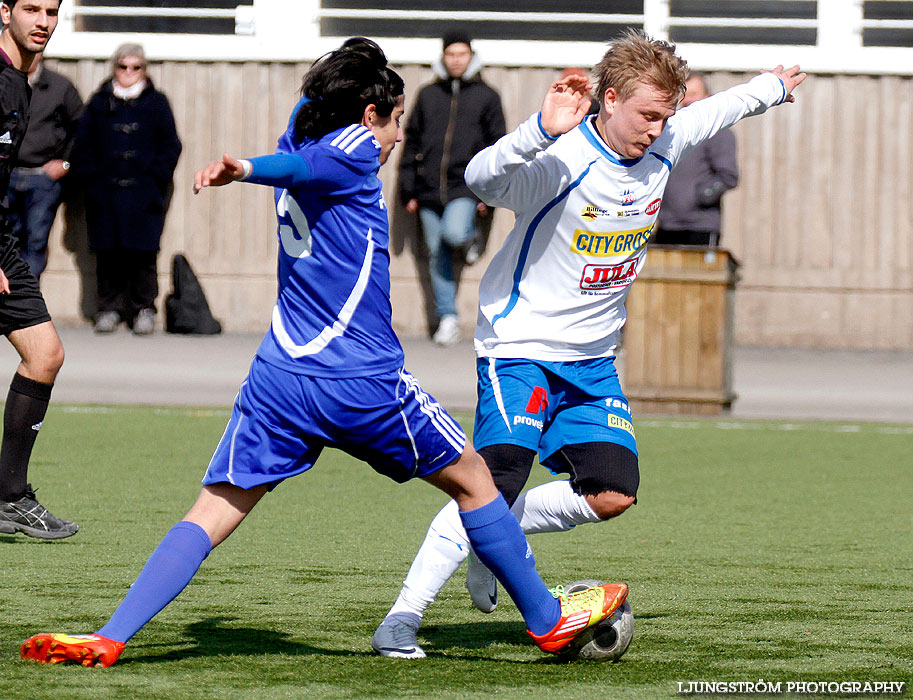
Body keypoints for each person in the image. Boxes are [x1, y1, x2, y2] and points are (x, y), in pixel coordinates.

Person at [20, 38, 627, 669]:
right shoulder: (352, 149)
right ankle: (550, 621)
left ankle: (111, 635)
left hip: (279, 380)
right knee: (475, 482)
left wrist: (328, 83)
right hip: (360, 379)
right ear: (370, 116)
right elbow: (313, 166)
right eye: (393, 122)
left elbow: (303, 144)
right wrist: (247, 170)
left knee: (214, 509)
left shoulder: (299, 137)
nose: (394, 139)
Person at [372, 30, 806, 659]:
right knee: (494, 479)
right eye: (647, 115)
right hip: (520, 347)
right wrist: (538, 130)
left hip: (594, 360)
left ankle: (495, 543)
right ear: (607, 99)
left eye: (666, 115)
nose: (658, 129)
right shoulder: (560, 159)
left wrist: (770, 89)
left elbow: (715, 111)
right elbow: (481, 177)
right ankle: (402, 617)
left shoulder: (667, 140)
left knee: (612, 492)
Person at [0, 0, 75, 540]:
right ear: (5, 11)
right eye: (31, 8)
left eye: (52, 10)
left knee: (45, 353)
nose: (43, 21)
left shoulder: (24, 83)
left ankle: (9, 496)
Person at [398, 30, 505, 346]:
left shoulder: (487, 96)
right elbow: (411, 141)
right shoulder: (428, 95)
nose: (456, 60)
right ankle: (447, 318)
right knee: (436, 253)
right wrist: (408, 190)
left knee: (454, 234)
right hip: (428, 189)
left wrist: (492, 193)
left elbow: (497, 147)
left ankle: (471, 237)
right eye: (450, 54)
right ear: (443, 57)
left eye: (461, 54)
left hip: (467, 186)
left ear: (471, 57)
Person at [70, 43, 182, 335]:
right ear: (114, 67)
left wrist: (155, 178)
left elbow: (170, 146)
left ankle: (143, 308)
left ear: (144, 69)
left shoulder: (157, 102)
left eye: (136, 67)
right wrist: (92, 182)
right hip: (105, 194)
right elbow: (82, 146)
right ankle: (108, 308)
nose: (129, 73)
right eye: (123, 66)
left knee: (143, 254)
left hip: (144, 194)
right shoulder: (99, 102)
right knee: (107, 253)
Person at [6, 53, 81, 278]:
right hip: (6, 175)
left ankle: (26, 301)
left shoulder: (60, 87)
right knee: (6, 243)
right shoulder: (4, 82)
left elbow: (82, 130)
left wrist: (66, 163)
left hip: (42, 180)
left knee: (35, 242)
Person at [653, 72, 739, 246]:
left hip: (701, 226)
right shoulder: (670, 132)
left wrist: (702, 196)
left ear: (706, 97)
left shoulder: (719, 133)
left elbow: (729, 176)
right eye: (685, 96)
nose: (689, 101)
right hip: (667, 224)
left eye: (694, 95)